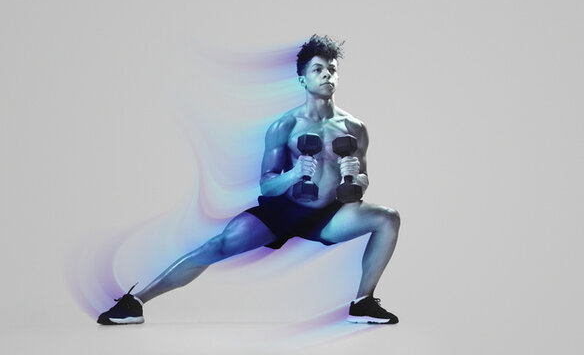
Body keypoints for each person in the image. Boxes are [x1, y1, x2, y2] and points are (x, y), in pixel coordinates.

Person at [97, 34, 401, 325]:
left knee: (388, 219)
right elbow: (266, 187)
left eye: (332, 70)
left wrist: (355, 175)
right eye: (318, 69)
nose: (327, 76)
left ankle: (363, 302)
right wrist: (294, 174)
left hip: (329, 214)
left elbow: (361, 182)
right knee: (217, 246)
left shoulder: (354, 127)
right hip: (283, 210)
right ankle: (135, 302)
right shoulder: (284, 126)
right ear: (302, 79)